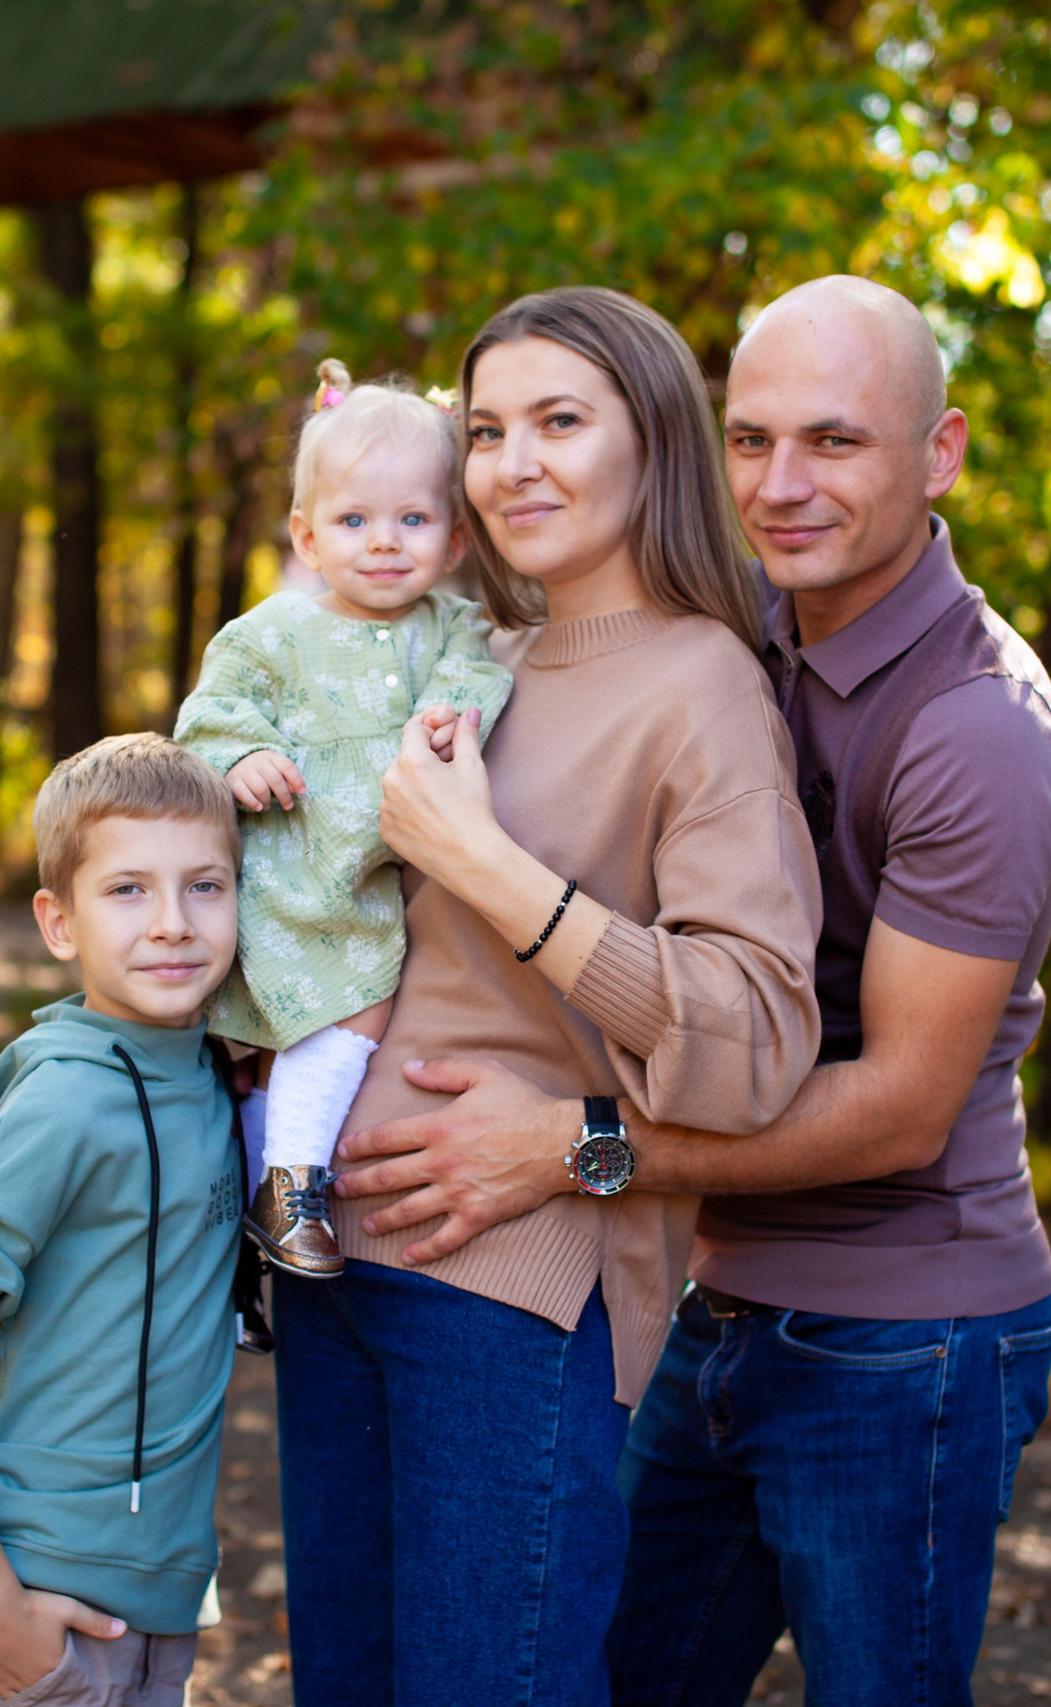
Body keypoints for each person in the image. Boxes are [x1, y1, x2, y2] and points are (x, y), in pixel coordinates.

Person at [333, 275, 1051, 1707]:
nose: (783, 486)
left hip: (902, 1325)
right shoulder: (749, 632)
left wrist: (575, 1147)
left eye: (837, 443)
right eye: (751, 440)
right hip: (719, 1296)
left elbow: (902, 1110)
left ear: (942, 453)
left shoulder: (977, 728)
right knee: (606, 1671)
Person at [275, 286, 823, 1707]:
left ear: (652, 443)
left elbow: (757, 1027)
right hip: (337, 1263)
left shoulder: (705, 689)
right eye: (485, 430)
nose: (513, 461)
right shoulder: (465, 655)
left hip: (506, 1288)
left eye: (559, 422)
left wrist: (498, 872)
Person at [0, 734, 247, 1707]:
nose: (172, 925)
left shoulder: (208, 1068)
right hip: (42, 1605)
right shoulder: (68, 1102)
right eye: (127, 891)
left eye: (205, 886)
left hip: (159, 1595)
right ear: (57, 924)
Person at [174, 359, 511, 1278]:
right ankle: (286, 1187)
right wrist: (241, 757)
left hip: (364, 878)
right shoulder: (270, 632)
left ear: (452, 540)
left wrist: (445, 716)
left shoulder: (451, 626)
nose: (384, 542)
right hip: (287, 875)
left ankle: (253, 1225)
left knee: (317, 1038)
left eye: (413, 519)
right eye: (355, 520)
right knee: (320, 1027)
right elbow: (209, 714)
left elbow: (476, 679)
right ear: (309, 536)